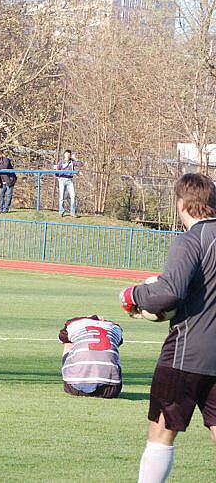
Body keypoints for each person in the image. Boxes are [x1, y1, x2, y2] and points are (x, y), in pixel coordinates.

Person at [119, 173, 216, 482]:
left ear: (182, 203)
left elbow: (169, 292)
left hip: (186, 355)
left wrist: (134, 295)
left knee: (161, 432)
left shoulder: (191, 240)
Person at [58, 315, 123, 398]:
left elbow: (61, 338)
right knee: (111, 350)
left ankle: (73, 377)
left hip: (75, 388)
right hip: (110, 390)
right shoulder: (114, 327)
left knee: (68, 343)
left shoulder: (74, 324)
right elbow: (119, 341)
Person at [56, 149, 81, 217]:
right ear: (64, 155)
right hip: (62, 180)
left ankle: (72, 212)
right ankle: (61, 212)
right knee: (61, 197)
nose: (67, 156)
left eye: (69, 155)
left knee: (73, 196)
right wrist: (58, 178)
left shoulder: (72, 162)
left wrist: (75, 159)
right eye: (66, 154)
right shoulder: (61, 162)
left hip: (69, 181)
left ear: (70, 156)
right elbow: (57, 171)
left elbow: (80, 164)